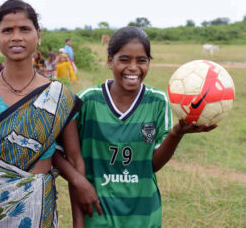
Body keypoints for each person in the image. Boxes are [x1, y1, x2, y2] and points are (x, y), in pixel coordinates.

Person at [0, 0, 100, 228]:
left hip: (39, 212)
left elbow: (74, 159)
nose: (16, 37)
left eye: (24, 29)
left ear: (38, 35)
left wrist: (78, 224)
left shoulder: (59, 96)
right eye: (7, 30)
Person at [76, 26, 217, 227]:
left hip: (144, 216)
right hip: (98, 216)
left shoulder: (158, 102)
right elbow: (64, 154)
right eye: (124, 59)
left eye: (142, 60)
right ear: (110, 61)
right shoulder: (88, 101)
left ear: (149, 62)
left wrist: (176, 133)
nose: (133, 67)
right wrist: (80, 183)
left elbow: (152, 166)